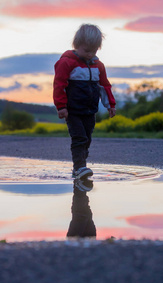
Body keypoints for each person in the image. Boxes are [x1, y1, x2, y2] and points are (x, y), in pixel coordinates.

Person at [53, 24, 116, 180]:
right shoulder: (67, 63)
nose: (90, 54)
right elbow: (59, 85)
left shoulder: (98, 66)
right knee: (79, 138)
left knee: (87, 139)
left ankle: (81, 166)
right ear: (77, 45)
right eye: (86, 50)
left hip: (90, 111)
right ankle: (79, 167)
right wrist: (61, 107)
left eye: (93, 51)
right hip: (73, 111)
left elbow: (104, 86)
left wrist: (110, 105)